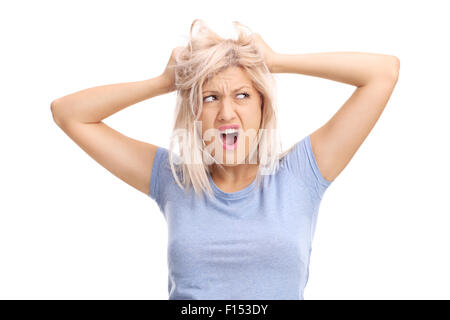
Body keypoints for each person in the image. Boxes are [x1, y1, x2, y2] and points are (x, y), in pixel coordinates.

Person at [50, 19, 400, 300]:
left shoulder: (300, 173)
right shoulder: (173, 178)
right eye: (210, 97)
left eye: (243, 95)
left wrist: (278, 62)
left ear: (263, 107)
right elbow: (68, 114)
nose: (226, 113)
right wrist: (165, 82)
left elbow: (382, 73)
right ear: (195, 113)